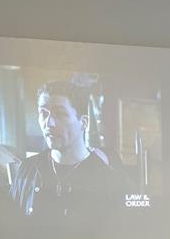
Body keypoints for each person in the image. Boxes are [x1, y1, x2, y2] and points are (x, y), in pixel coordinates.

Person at [12, 80, 118, 215]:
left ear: (83, 122)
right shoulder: (27, 170)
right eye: (43, 113)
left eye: (60, 114)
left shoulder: (108, 181)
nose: (49, 123)